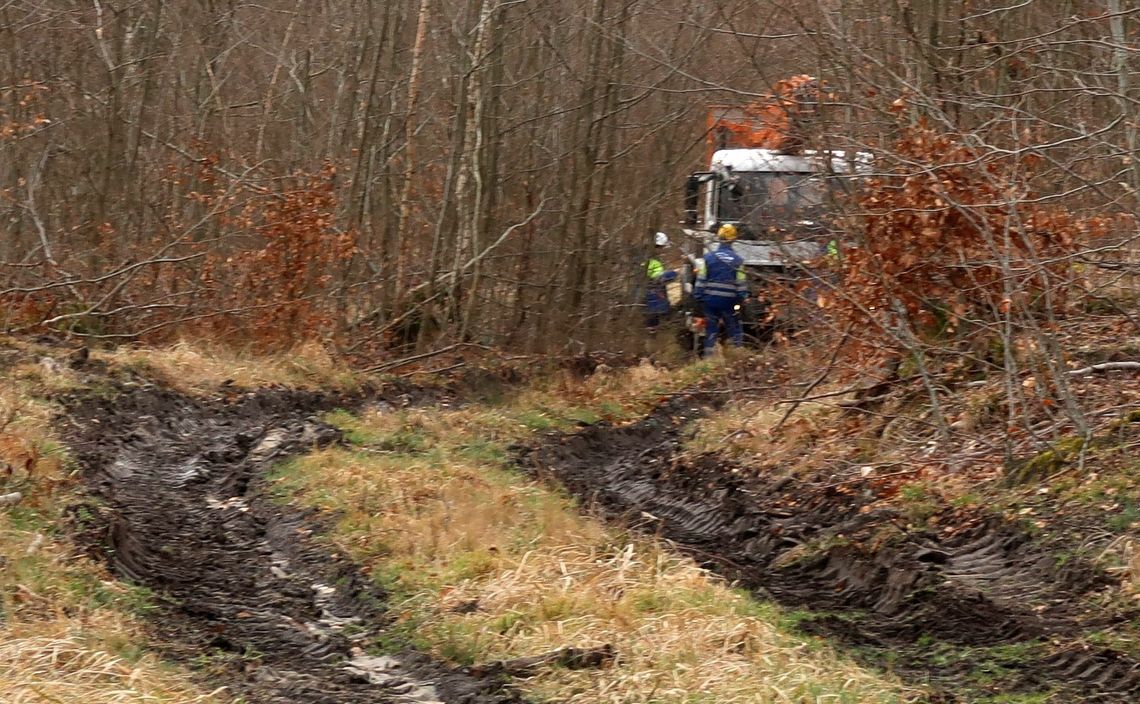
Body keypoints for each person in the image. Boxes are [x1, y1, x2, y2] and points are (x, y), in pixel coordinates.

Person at [694, 223, 747, 352]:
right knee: (734, 327)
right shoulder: (738, 261)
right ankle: (738, 353)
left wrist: (698, 297)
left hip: (710, 301)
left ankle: (709, 358)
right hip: (729, 302)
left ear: (719, 238)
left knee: (711, 329)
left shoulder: (708, 258)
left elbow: (701, 280)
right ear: (733, 240)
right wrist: (743, 298)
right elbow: (741, 284)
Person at [643, 231, 678, 334]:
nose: (662, 250)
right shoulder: (651, 259)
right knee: (652, 316)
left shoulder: (648, 257)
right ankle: (651, 333)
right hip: (652, 292)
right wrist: (672, 274)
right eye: (661, 247)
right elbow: (657, 277)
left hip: (651, 291)